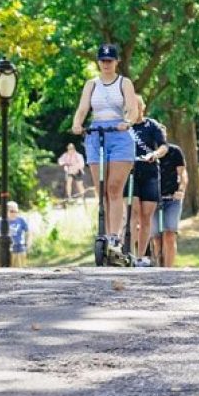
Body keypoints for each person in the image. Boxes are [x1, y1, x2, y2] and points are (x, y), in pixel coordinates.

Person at [71, 43, 137, 252]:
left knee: (114, 187)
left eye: (110, 60)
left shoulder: (124, 83)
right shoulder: (91, 85)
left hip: (118, 133)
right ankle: (106, 234)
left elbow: (133, 110)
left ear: (117, 62)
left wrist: (127, 122)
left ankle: (115, 236)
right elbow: (82, 109)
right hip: (96, 134)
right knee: (102, 191)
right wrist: (77, 124)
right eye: (103, 60)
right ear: (98, 62)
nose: (106, 64)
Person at [128, 95, 168, 266]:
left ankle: (141, 256)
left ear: (142, 108)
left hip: (150, 172)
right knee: (134, 213)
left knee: (146, 216)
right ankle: (128, 253)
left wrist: (154, 154)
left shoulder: (152, 125)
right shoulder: (124, 127)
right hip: (130, 173)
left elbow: (163, 146)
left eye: (136, 106)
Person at [151, 126, 188, 268]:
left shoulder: (175, 151)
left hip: (172, 198)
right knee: (156, 238)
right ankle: (158, 267)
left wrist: (181, 190)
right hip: (153, 199)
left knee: (169, 234)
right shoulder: (148, 153)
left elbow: (183, 174)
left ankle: (169, 270)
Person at [0, 201, 30, 267]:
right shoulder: (1, 221)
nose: (14, 213)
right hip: (6, 251)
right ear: (6, 211)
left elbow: (27, 231)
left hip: (19, 250)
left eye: (16, 211)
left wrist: (27, 244)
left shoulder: (21, 220)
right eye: (12, 211)